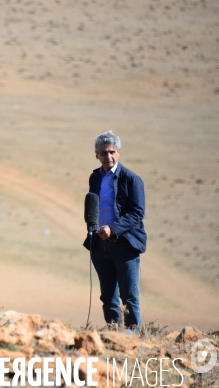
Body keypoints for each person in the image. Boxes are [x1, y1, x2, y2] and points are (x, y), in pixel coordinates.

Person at [83, 130, 146, 330]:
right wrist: (94, 229)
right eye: (103, 153)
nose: (108, 156)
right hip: (100, 245)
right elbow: (93, 207)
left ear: (119, 152)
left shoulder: (131, 179)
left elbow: (137, 213)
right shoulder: (95, 178)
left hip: (125, 245)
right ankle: (114, 335)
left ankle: (132, 336)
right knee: (108, 296)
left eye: (111, 152)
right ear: (96, 155)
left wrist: (113, 229)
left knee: (128, 295)